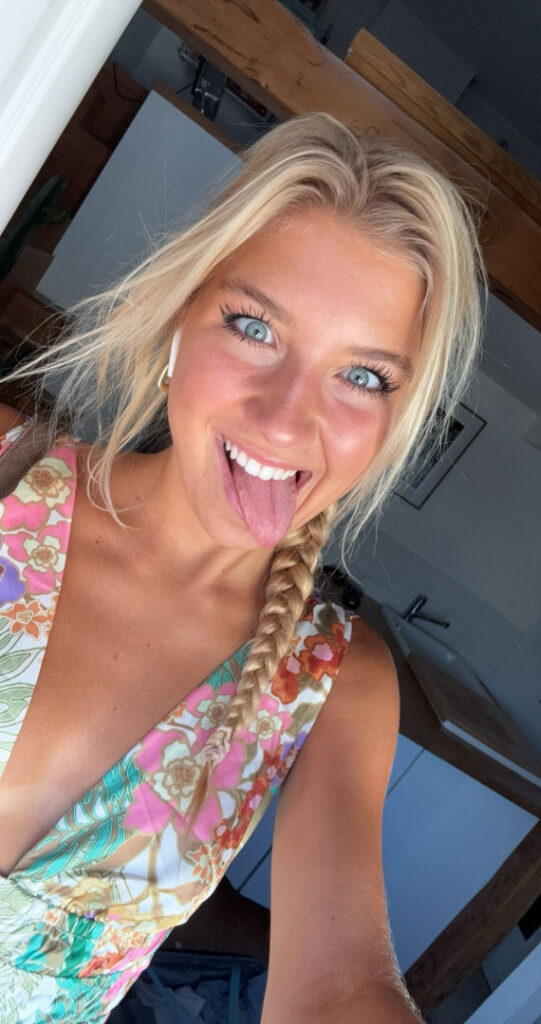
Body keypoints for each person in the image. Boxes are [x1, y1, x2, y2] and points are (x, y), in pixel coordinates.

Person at [0, 111, 483, 1023]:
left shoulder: (333, 684)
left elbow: (339, 987)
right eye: (255, 327)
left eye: (364, 376)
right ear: (183, 314)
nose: (286, 417)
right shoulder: (6, 474)